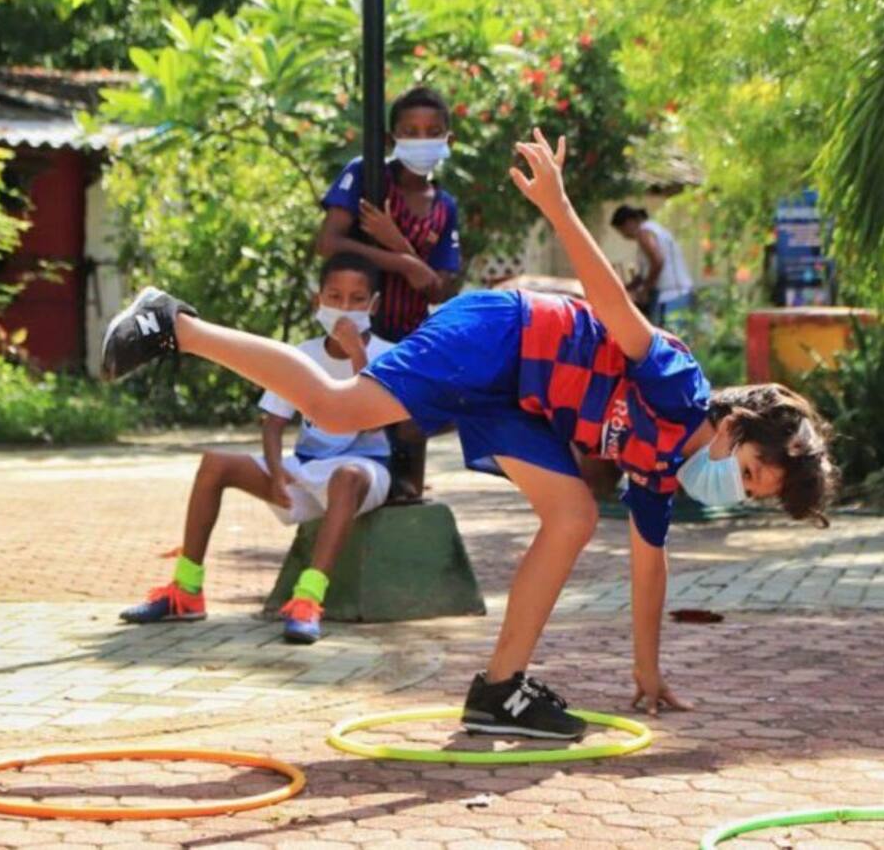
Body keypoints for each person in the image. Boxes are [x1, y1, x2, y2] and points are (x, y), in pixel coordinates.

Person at [101, 130, 835, 740]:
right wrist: (558, 206)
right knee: (337, 407)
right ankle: (176, 323)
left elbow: (651, 570)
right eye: (744, 475)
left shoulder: (657, 475)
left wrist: (647, 674)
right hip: (503, 333)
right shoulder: (680, 388)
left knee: (574, 515)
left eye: (751, 497)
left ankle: (498, 690)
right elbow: (613, 306)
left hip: (514, 395)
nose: (734, 494)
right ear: (733, 427)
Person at [119, 253, 394, 645]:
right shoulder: (302, 353)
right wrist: (274, 467)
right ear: (318, 301)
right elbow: (274, 420)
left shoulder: (389, 354)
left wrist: (357, 356)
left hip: (364, 470)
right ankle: (186, 590)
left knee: (345, 477)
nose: (345, 308)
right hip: (305, 468)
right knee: (216, 463)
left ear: (374, 305)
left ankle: (308, 599)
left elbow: (375, 419)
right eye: (335, 296)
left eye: (356, 299)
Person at [317, 85, 462, 499]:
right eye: (410, 131)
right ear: (391, 138)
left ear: (448, 140)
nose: (421, 140)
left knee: (412, 416)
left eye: (432, 131)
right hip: (362, 321)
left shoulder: (444, 205)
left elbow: (436, 285)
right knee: (360, 413)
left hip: (412, 328)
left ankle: (406, 488)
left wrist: (397, 242)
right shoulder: (368, 175)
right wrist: (403, 262)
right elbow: (328, 242)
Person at [610, 204, 694, 327]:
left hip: (671, 295)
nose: (624, 236)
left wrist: (645, 290)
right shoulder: (653, 229)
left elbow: (658, 262)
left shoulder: (644, 233)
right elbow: (645, 273)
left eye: (622, 231)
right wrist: (625, 288)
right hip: (676, 293)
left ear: (629, 222)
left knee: (667, 339)